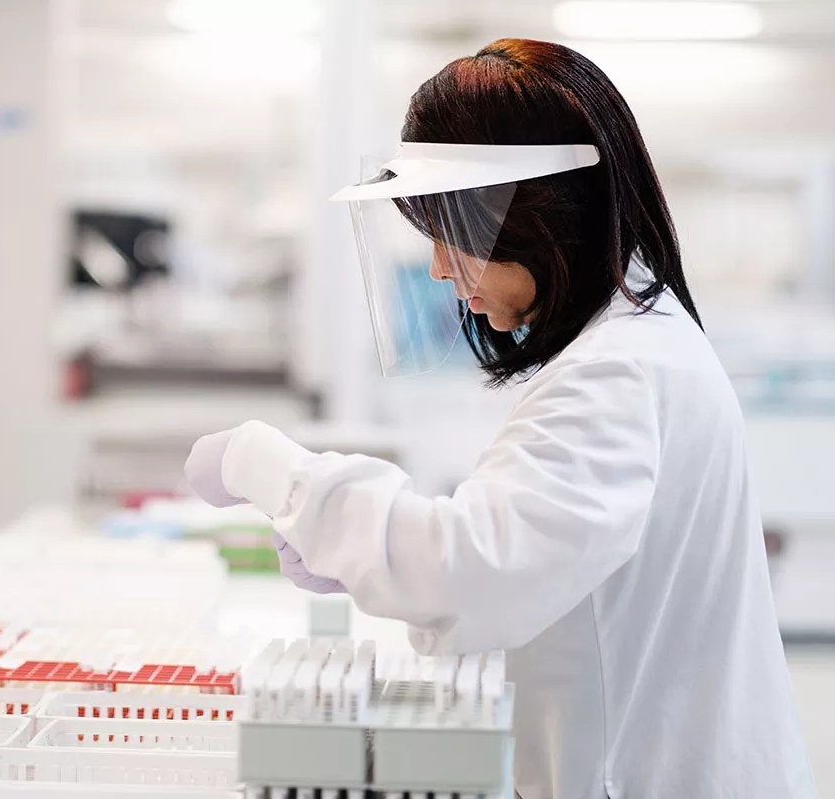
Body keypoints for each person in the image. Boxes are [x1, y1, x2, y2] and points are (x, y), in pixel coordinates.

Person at [184, 39, 815, 799]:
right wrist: (361, 559)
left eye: (455, 232)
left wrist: (271, 468)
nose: (440, 270)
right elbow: (535, 570)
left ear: (540, 216)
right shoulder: (631, 342)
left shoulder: (618, 371)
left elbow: (470, 570)